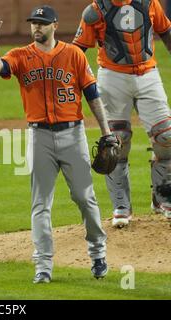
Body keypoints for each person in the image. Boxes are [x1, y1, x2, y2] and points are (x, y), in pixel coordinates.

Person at [0, 6, 115, 283]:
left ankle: (98, 253)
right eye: (33, 23)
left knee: (85, 198)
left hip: (72, 135)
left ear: (54, 25)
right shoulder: (21, 55)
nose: (36, 28)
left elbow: (92, 95)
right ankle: (42, 266)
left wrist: (107, 131)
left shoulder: (74, 55)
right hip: (39, 136)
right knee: (40, 204)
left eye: (42, 23)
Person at [73, 0, 171, 227]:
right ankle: (121, 206)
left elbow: (166, 32)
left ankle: (163, 197)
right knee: (116, 141)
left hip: (148, 74)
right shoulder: (94, 11)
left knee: (166, 136)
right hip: (112, 76)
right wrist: (74, 81)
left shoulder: (149, 3)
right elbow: (78, 51)